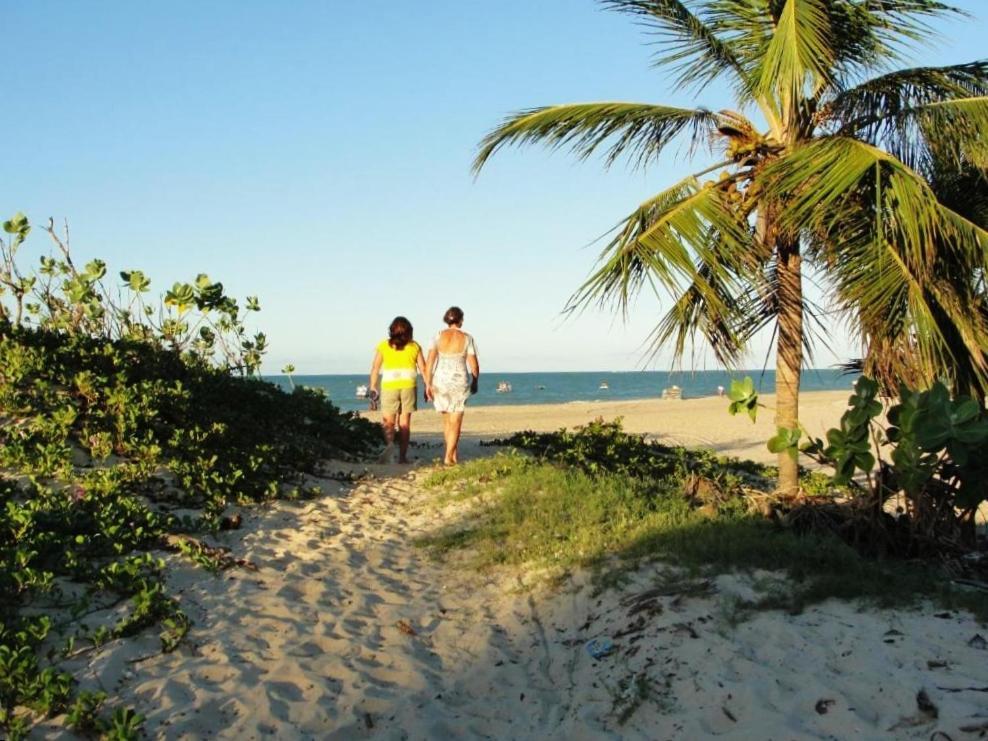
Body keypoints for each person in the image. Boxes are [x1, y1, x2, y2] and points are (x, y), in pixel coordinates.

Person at [368, 316, 431, 464]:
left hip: (390, 385)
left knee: (389, 422)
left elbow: (375, 368)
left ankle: (390, 447)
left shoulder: (383, 346)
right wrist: (428, 385)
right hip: (408, 385)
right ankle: (402, 457)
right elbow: (423, 368)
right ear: (409, 332)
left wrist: (373, 386)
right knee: (404, 423)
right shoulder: (414, 346)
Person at [426, 306, 480, 465]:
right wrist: (475, 381)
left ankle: (453, 455)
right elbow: (474, 365)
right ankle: (448, 456)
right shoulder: (467, 338)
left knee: (447, 420)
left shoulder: (437, 336)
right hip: (458, 381)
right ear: (461, 320)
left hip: (440, 380)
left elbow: (430, 362)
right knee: (456, 419)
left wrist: (428, 384)